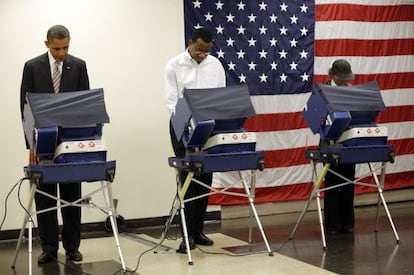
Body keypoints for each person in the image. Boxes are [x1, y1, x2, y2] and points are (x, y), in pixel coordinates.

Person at [20, 25, 90, 264]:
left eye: (66, 47)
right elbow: (26, 108)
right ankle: (49, 248)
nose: (62, 53)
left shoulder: (78, 66)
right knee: (45, 197)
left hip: (71, 141)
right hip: (44, 141)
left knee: (72, 196)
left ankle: (72, 247)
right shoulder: (32, 67)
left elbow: (85, 106)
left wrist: (84, 141)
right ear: (47, 44)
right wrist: (31, 144)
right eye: (57, 48)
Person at [164, 27, 226, 253]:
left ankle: (198, 230)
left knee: (205, 178)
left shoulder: (215, 65)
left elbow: (220, 95)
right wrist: (188, 124)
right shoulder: (174, 65)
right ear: (190, 43)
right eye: (199, 50)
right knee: (188, 178)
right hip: (182, 124)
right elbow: (171, 102)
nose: (202, 54)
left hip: (208, 124)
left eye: (207, 51)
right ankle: (186, 235)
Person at [323, 59, 356, 235]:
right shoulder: (322, 92)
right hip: (330, 144)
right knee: (333, 185)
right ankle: (333, 225)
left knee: (349, 182)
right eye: (342, 78)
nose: (345, 81)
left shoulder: (351, 91)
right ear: (333, 75)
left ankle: (347, 223)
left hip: (349, 141)